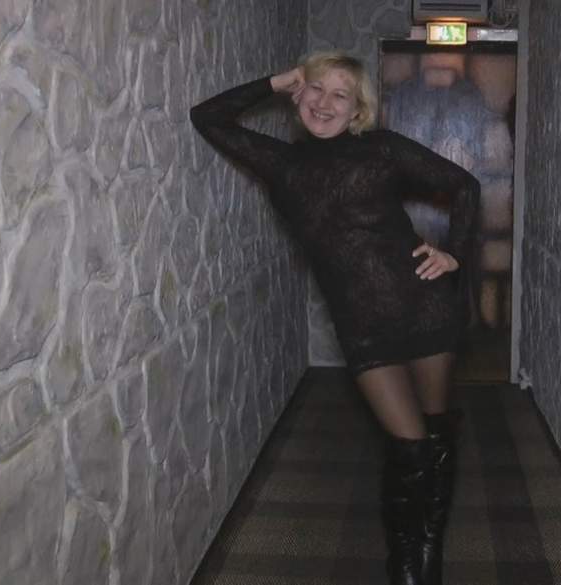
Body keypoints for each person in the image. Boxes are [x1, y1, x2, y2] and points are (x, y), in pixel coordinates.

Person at [190, 51, 480, 585]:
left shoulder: (382, 149)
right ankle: (405, 562)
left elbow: (465, 186)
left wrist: (454, 254)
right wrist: (276, 80)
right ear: (298, 95)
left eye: (340, 95)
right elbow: (207, 117)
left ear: (357, 110)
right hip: (363, 327)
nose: (324, 103)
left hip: (425, 308)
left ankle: (426, 550)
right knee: (410, 446)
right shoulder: (279, 163)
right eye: (316, 89)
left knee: (436, 433)